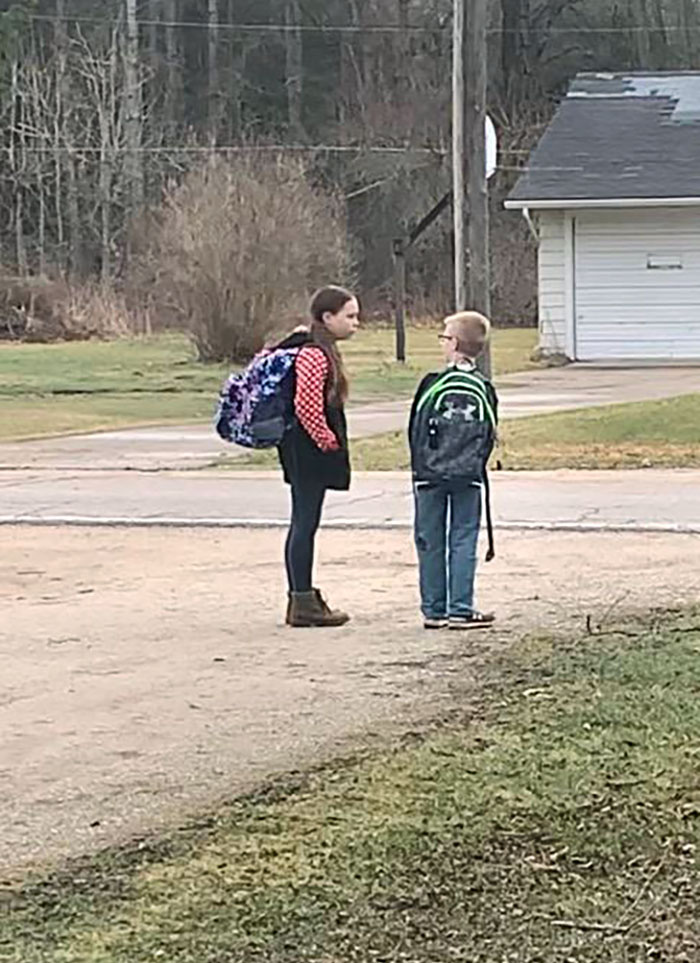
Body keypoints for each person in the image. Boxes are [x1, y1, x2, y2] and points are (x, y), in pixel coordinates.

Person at [408, 311, 498, 631]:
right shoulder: (483, 387)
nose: (442, 343)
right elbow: (490, 433)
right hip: (468, 474)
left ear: (455, 343)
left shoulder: (432, 384)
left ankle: (434, 609)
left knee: (430, 540)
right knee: (463, 538)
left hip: (428, 474)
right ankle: (461, 607)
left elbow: (414, 430)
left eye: (444, 337)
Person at [277, 286, 360, 628]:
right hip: (307, 450)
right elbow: (307, 405)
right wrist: (328, 442)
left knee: (304, 521)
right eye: (350, 316)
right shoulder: (313, 354)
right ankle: (302, 600)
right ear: (328, 317)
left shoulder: (314, 349)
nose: (356, 323)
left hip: (303, 448)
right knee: (304, 523)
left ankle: (302, 597)